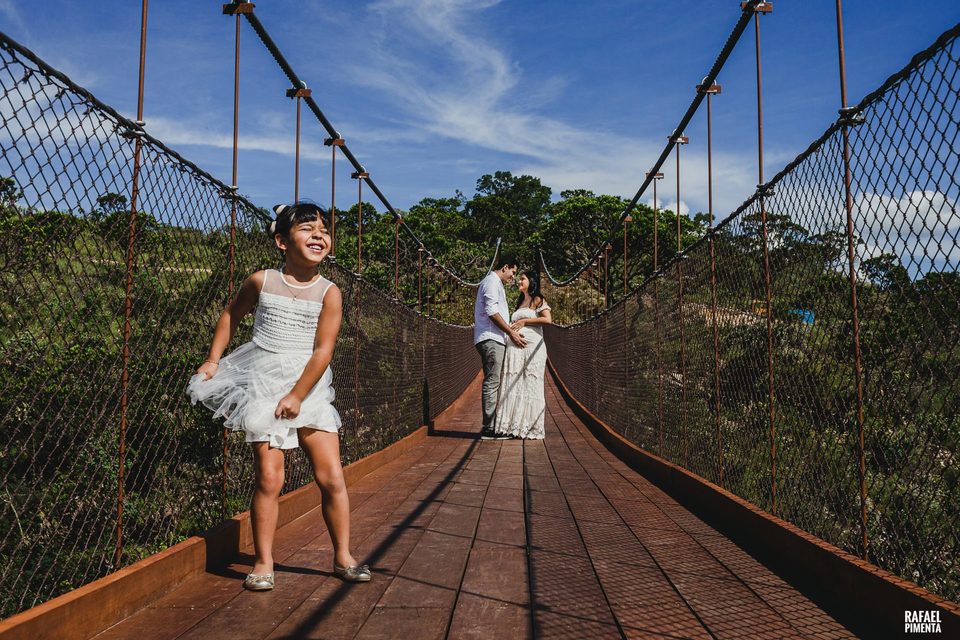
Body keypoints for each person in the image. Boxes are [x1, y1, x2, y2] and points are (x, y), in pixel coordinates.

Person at [187, 202, 371, 591]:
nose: (319, 235)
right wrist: (213, 360)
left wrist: (298, 395)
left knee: (331, 477)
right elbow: (231, 315)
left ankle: (343, 556)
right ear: (282, 242)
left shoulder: (330, 292)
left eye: (324, 230)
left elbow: (323, 350)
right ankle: (263, 562)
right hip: (265, 385)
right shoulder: (262, 281)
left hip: (310, 388)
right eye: (307, 229)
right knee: (269, 479)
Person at [494, 271, 552, 439]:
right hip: (515, 348)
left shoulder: (537, 299)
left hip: (533, 348)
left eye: (522, 279)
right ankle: (514, 427)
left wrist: (524, 321)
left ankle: (530, 427)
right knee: (515, 383)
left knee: (531, 384)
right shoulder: (520, 302)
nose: (519, 281)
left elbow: (547, 319)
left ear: (531, 281)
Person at [474, 253, 525, 440]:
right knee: (492, 382)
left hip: (494, 338)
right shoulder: (492, 282)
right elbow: (492, 311)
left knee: (494, 381)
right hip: (491, 338)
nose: (513, 276)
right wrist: (511, 332)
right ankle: (489, 428)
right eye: (513, 272)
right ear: (505, 267)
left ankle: (493, 425)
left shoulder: (496, 284)